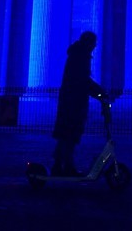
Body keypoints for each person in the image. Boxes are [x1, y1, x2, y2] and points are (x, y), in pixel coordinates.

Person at [52, 31, 106, 176]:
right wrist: (100, 93)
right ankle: (67, 166)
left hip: (70, 100)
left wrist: (97, 92)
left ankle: (58, 165)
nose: (95, 46)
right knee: (70, 135)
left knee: (65, 134)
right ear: (89, 43)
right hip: (74, 102)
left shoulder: (77, 54)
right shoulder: (81, 56)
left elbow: (82, 79)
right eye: (94, 43)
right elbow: (83, 80)